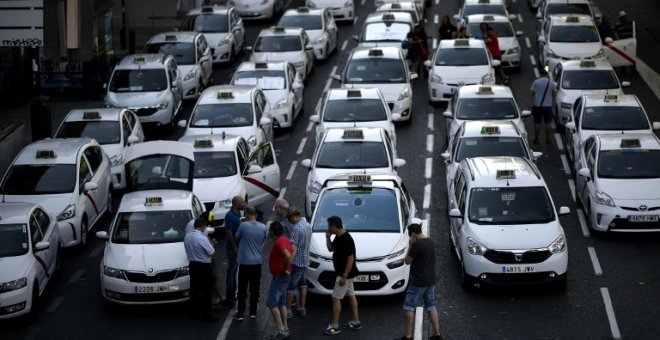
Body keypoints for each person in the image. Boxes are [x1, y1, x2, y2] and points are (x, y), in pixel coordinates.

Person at [397, 224, 442, 340]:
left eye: (410, 235)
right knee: (431, 306)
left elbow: (407, 261)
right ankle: (437, 335)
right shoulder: (430, 242)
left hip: (418, 281)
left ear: (413, 234)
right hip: (430, 280)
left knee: (409, 306)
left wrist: (411, 245)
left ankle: (408, 336)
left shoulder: (417, 245)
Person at [323, 216, 361, 335]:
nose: (328, 228)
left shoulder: (346, 239)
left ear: (334, 226)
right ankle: (356, 322)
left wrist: (344, 276)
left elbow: (351, 259)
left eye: (329, 226)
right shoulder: (338, 237)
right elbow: (330, 249)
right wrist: (327, 238)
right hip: (346, 274)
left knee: (336, 298)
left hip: (344, 274)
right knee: (351, 295)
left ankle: (335, 326)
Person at [234, 206, 267, 321]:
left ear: (247, 215)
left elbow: (237, 238)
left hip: (243, 262)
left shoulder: (243, 225)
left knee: (242, 288)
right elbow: (263, 240)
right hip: (256, 262)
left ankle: (240, 313)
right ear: (256, 215)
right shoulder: (263, 227)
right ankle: (253, 311)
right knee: (255, 287)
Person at [184, 217, 217, 321]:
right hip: (204, 266)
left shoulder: (187, 236)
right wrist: (212, 244)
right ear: (202, 226)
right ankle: (207, 315)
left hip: (192, 265)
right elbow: (211, 252)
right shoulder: (202, 238)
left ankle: (194, 313)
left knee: (194, 290)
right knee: (206, 291)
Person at [266, 221, 293, 340]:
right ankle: (285, 329)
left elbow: (287, 255)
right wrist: (287, 267)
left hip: (280, 277)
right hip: (282, 276)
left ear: (272, 232)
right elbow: (292, 249)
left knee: (271, 303)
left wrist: (286, 267)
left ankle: (281, 330)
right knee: (281, 303)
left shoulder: (278, 242)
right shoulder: (284, 238)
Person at [218, 196, 246, 309]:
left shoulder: (237, 214)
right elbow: (229, 232)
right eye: (242, 202)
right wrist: (234, 246)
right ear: (236, 204)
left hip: (238, 247)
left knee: (235, 271)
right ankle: (230, 294)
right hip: (233, 249)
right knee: (232, 271)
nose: (244, 203)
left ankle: (233, 292)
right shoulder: (230, 215)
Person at [285, 207, 313, 318]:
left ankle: (288, 311)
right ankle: (301, 308)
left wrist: (288, 263)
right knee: (303, 285)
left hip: (297, 262)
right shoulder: (307, 225)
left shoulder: (297, 229)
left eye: (289, 218)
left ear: (293, 216)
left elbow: (293, 248)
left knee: (291, 287)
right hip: (305, 260)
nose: (289, 221)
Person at [529, 68, 556, 145]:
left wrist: (536, 94)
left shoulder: (536, 82)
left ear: (540, 74)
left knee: (537, 123)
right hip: (548, 106)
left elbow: (531, 93)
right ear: (547, 74)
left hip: (538, 106)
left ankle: (537, 139)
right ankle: (548, 139)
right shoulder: (552, 83)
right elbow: (554, 94)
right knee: (548, 123)